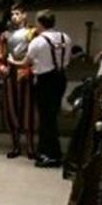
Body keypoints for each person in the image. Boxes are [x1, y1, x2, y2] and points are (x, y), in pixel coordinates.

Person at [18, 10, 70, 168]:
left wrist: (12, 60)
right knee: (52, 116)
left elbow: (25, 63)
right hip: (60, 78)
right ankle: (51, 152)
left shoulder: (38, 41)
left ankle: (49, 155)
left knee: (46, 119)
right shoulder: (65, 38)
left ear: (40, 23)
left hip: (45, 81)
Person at [0, 4, 36, 159]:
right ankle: (15, 145)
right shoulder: (5, 35)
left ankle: (30, 146)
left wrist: (32, 69)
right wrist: (3, 69)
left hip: (27, 74)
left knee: (27, 110)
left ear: (24, 15)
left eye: (17, 13)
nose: (14, 17)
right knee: (11, 110)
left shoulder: (33, 32)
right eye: (12, 14)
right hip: (10, 75)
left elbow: (37, 54)